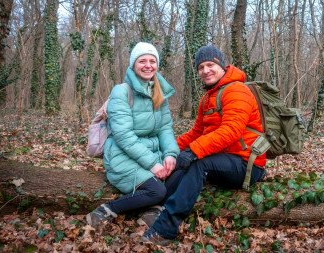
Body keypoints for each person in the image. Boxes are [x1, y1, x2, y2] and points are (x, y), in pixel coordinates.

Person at [142, 45, 266, 245]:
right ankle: (158, 207)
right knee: (185, 160)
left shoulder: (237, 90)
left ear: (222, 65)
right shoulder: (207, 98)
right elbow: (196, 133)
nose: (205, 70)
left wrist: (194, 150)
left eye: (210, 65)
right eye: (201, 67)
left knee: (199, 162)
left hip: (247, 165)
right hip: (224, 160)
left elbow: (231, 130)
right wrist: (169, 150)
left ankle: (165, 229)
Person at [86, 42, 180, 227]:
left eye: (152, 61)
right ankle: (107, 210)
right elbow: (124, 136)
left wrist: (170, 154)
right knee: (157, 191)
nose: (148, 65)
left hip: (151, 154)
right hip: (122, 155)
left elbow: (165, 128)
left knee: (182, 169)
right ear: (133, 65)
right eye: (142, 61)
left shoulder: (159, 92)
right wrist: (153, 164)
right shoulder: (121, 91)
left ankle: (152, 211)